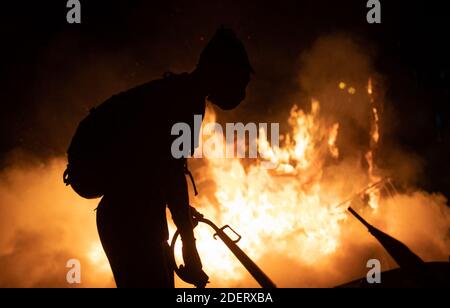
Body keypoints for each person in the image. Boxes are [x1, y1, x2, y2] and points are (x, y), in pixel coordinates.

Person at [95, 27, 254, 288]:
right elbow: (170, 171)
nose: (241, 91)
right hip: (132, 222)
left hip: (126, 216)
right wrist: (190, 248)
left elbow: (157, 168)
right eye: (240, 80)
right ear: (221, 71)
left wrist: (177, 208)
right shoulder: (185, 101)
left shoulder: (178, 93)